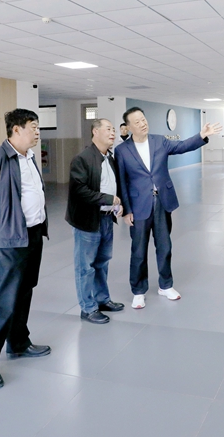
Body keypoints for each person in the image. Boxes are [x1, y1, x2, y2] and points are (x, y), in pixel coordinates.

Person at [0, 109, 51, 390]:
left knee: (25, 290)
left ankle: (18, 343)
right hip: (10, 239)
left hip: (33, 234)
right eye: (33, 127)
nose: (37, 132)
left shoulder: (29, 157)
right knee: (4, 298)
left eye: (38, 127)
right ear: (16, 129)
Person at [116, 107, 221, 309]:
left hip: (162, 202)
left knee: (164, 247)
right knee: (138, 251)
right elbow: (122, 181)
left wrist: (201, 135)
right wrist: (126, 210)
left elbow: (182, 146)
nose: (143, 123)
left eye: (143, 119)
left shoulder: (159, 141)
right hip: (138, 206)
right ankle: (138, 291)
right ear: (128, 127)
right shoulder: (122, 150)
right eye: (137, 122)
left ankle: (166, 285)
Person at [66, 118, 125, 325]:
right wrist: (108, 199)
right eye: (108, 129)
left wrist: (118, 204)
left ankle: (102, 299)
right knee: (86, 267)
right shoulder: (82, 159)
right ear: (95, 132)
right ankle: (88, 308)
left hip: (107, 219)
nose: (113, 133)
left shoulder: (110, 158)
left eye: (114, 130)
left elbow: (113, 185)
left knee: (102, 262)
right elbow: (79, 190)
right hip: (87, 220)